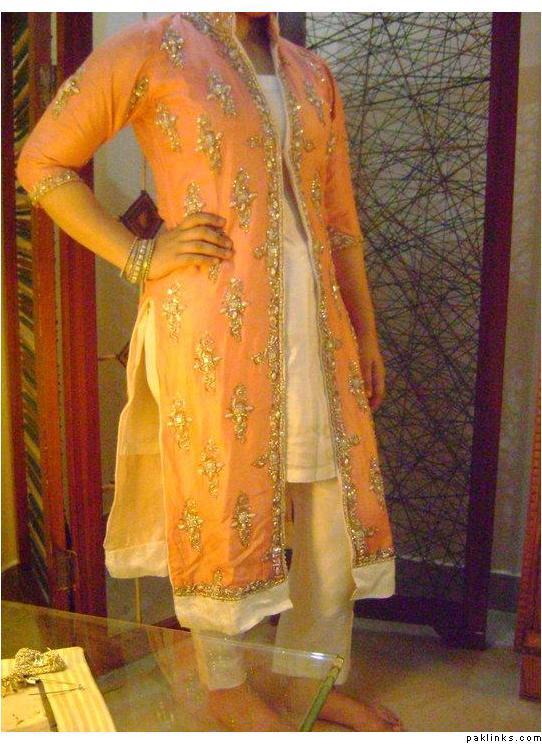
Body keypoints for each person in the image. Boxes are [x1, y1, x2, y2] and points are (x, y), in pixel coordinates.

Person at [16, 11, 403, 731]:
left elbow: (339, 221)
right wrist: (138, 255)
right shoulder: (154, 47)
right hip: (210, 326)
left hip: (318, 326)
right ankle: (226, 688)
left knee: (329, 507)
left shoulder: (312, 74)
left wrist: (366, 332)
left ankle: (308, 680)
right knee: (220, 500)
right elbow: (41, 163)